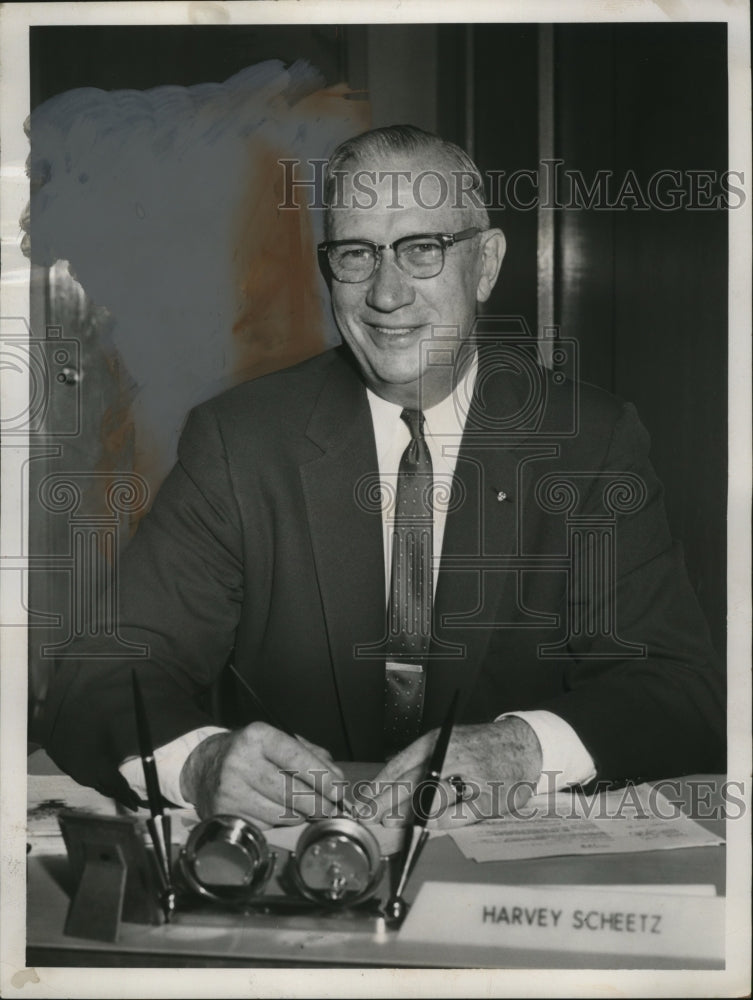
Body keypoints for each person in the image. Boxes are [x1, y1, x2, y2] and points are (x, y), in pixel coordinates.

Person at [41, 125, 725, 830]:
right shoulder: (240, 442)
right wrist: (201, 764)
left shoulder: (589, 443)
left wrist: (523, 751)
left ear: (485, 265)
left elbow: (679, 689)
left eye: (422, 249)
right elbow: (99, 677)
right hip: (302, 861)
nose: (387, 294)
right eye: (356, 254)